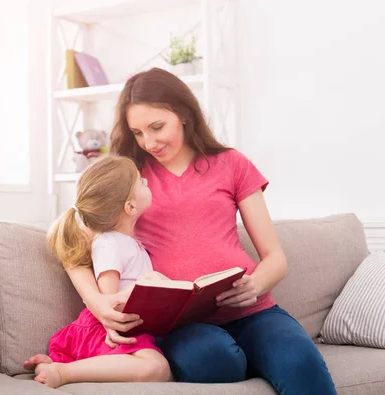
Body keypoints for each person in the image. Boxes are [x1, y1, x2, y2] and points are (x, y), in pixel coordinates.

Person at [59, 68, 337, 394]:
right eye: (137, 132)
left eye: (157, 127)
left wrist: (256, 284)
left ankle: (263, 354)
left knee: (299, 363)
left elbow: (275, 258)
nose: (149, 142)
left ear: (183, 114)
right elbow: (70, 245)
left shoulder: (233, 164)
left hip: (254, 312)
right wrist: (98, 304)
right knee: (213, 360)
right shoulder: (130, 179)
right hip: (181, 323)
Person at [23, 155, 171, 388]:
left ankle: (50, 364)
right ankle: (64, 371)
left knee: (161, 367)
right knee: (158, 369)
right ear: (130, 206)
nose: (147, 182)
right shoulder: (110, 243)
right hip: (103, 328)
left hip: (125, 327)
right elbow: (108, 301)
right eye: (141, 182)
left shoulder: (127, 242)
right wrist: (150, 283)